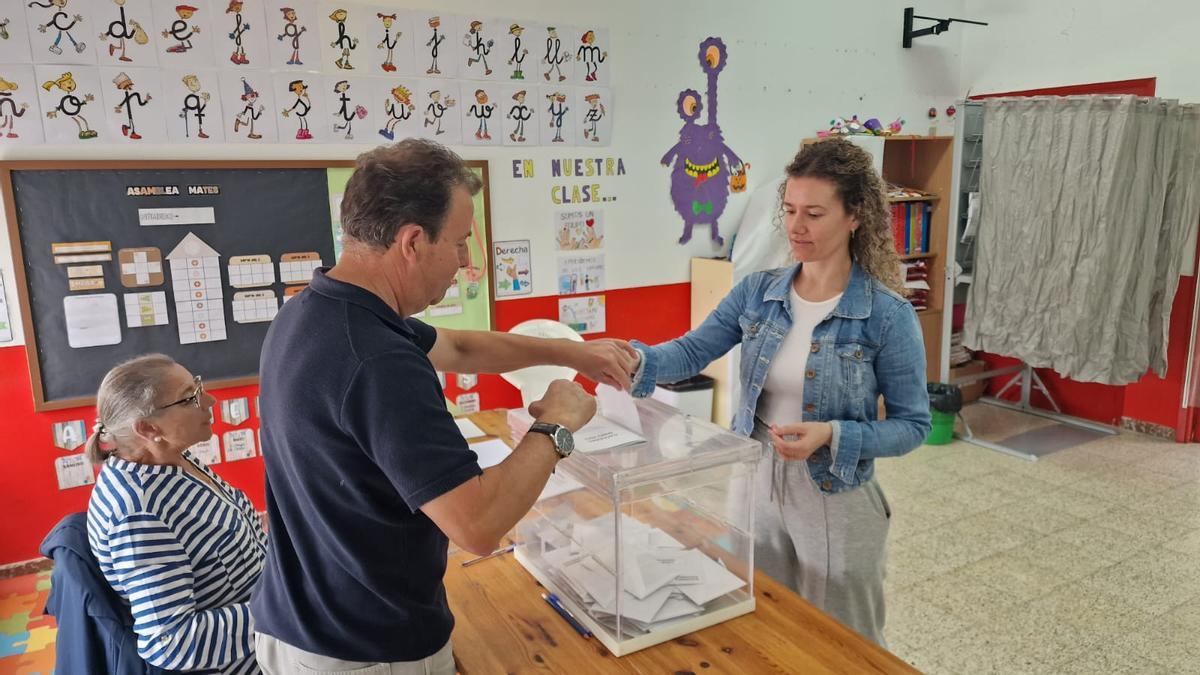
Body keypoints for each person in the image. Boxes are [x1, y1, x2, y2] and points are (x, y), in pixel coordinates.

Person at [252, 138, 637, 674]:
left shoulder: (315, 311)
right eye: (458, 243)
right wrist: (556, 425)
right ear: (412, 241)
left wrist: (572, 352)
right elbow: (477, 526)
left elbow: (458, 347)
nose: (466, 261)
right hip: (366, 649)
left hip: (300, 620)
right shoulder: (377, 360)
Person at [629, 138, 931, 646]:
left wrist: (833, 433)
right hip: (757, 473)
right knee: (763, 615)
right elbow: (688, 352)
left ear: (855, 216)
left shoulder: (888, 315)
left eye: (814, 213)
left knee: (842, 635)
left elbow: (913, 426)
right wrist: (630, 360)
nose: (795, 226)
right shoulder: (758, 291)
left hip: (834, 487)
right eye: (789, 210)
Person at [85, 354, 265, 674]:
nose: (209, 399)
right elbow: (171, 641)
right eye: (190, 397)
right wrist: (286, 611)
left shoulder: (170, 460)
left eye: (198, 386)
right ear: (148, 428)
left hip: (274, 613)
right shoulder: (137, 514)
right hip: (251, 658)